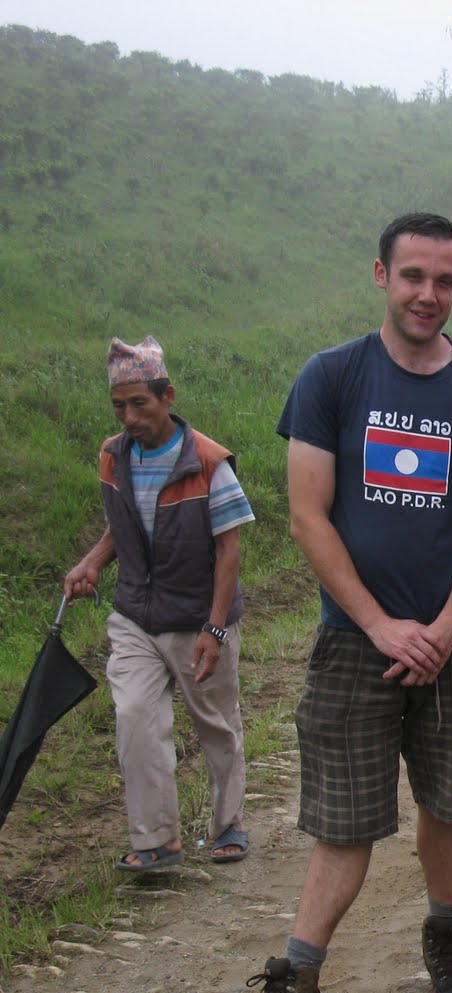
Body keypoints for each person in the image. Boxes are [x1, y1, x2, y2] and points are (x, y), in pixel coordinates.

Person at [215, 212, 452, 993]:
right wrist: (382, 625)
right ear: (382, 275)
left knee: (448, 803)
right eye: (414, 275)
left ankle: (445, 938)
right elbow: (308, 515)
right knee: (344, 821)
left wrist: (445, 627)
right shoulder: (332, 376)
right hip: (357, 641)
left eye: (445, 280)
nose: (429, 293)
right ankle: (298, 989)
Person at [65, 336, 255, 872]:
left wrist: (214, 630)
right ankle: (156, 841)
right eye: (119, 406)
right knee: (134, 717)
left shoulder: (208, 463)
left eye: (139, 404)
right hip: (135, 617)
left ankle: (228, 825)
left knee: (216, 724)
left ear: (167, 396)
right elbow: (122, 525)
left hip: (198, 619)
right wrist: (92, 563)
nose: (129, 417)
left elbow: (228, 551)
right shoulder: (113, 457)